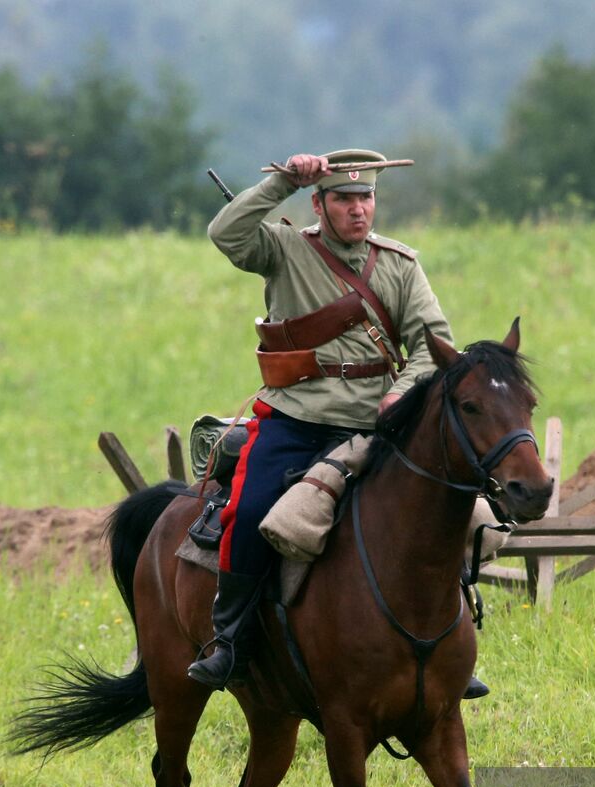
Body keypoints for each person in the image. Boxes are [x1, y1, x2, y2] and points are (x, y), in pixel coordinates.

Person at [189, 149, 488, 699]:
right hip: (295, 418)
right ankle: (229, 639)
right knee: (250, 510)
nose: (358, 210)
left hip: (377, 425)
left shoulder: (399, 265)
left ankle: (451, 645)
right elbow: (225, 233)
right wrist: (281, 181)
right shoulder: (281, 249)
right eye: (344, 199)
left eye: (366, 198)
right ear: (319, 205)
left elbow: (433, 347)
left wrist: (399, 393)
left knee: (447, 512)